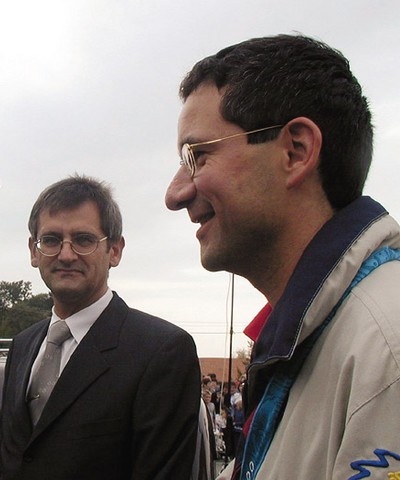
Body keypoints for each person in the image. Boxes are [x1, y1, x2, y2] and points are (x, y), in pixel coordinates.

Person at [165, 34, 400, 479]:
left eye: (196, 155)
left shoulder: (385, 350)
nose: (174, 194)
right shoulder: (323, 337)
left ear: (295, 152)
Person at [0, 175, 202, 479]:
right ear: (33, 251)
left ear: (114, 250)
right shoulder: (22, 345)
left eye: (83, 240)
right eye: (50, 240)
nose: (65, 254)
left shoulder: (162, 352)